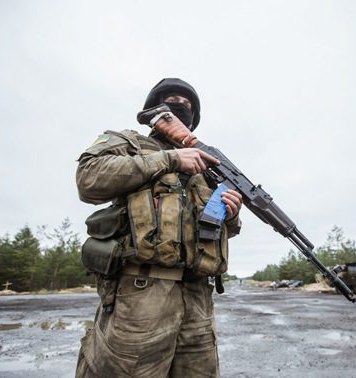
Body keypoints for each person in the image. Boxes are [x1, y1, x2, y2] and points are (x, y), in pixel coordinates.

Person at [75, 78, 243, 377]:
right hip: (141, 295)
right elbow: (89, 179)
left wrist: (232, 214)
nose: (182, 106)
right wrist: (170, 158)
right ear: (156, 109)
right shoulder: (128, 143)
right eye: (172, 100)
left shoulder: (209, 168)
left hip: (198, 300)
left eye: (189, 105)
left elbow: (220, 229)